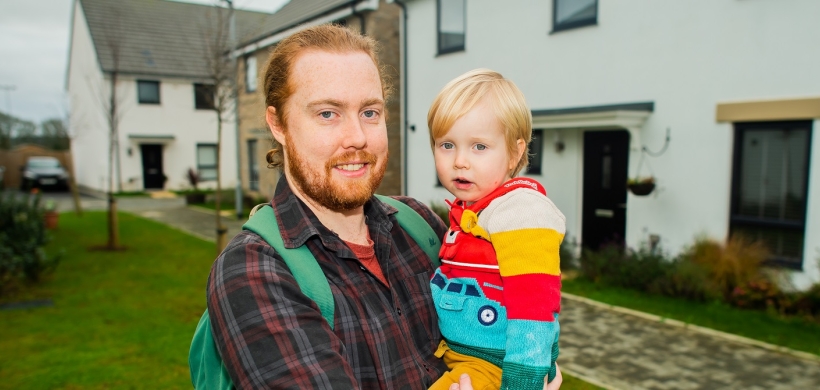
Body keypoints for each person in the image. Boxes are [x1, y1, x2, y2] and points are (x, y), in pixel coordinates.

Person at [206, 24, 562, 389]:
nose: (358, 136)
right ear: (278, 124)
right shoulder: (254, 270)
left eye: (370, 112)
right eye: (328, 114)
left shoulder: (419, 226)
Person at [426, 69, 565, 390]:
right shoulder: (474, 208)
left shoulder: (520, 211)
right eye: (447, 145)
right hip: (466, 354)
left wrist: (522, 381)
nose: (460, 160)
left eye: (479, 147)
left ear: (515, 152)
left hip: (497, 364)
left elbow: (535, 303)